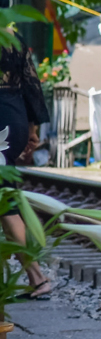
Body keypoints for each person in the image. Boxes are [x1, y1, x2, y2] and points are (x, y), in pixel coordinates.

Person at [0, 40, 53, 298]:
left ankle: (37, 277)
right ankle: (36, 276)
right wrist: (31, 129)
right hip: (16, 118)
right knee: (7, 196)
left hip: (1, 120)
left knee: (4, 203)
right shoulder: (16, 40)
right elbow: (31, 85)